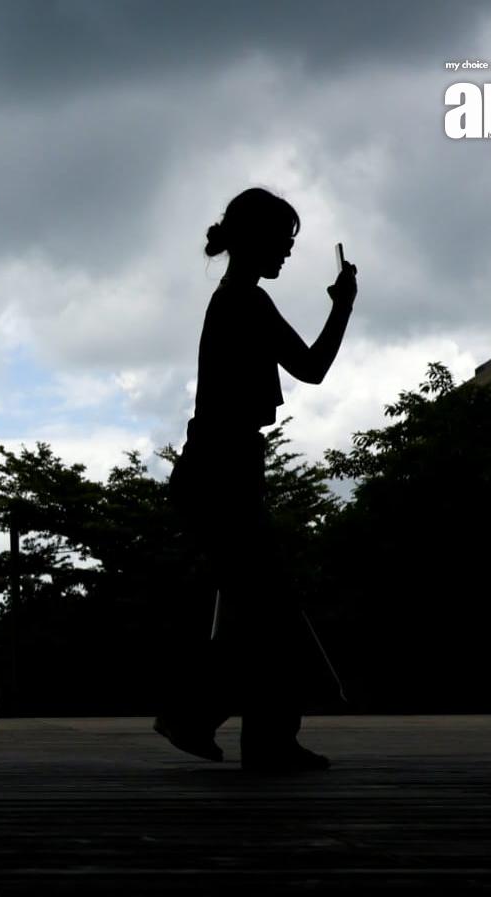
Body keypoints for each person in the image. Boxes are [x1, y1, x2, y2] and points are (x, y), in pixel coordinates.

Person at [157, 186, 357, 772]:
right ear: (257, 240)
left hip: (218, 468)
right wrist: (342, 305)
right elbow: (314, 369)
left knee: (261, 610)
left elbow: (307, 370)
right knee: (267, 611)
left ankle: (229, 724)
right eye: (284, 242)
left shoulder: (236, 301)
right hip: (226, 471)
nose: (288, 254)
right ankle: (225, 724)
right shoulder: (246, 304)